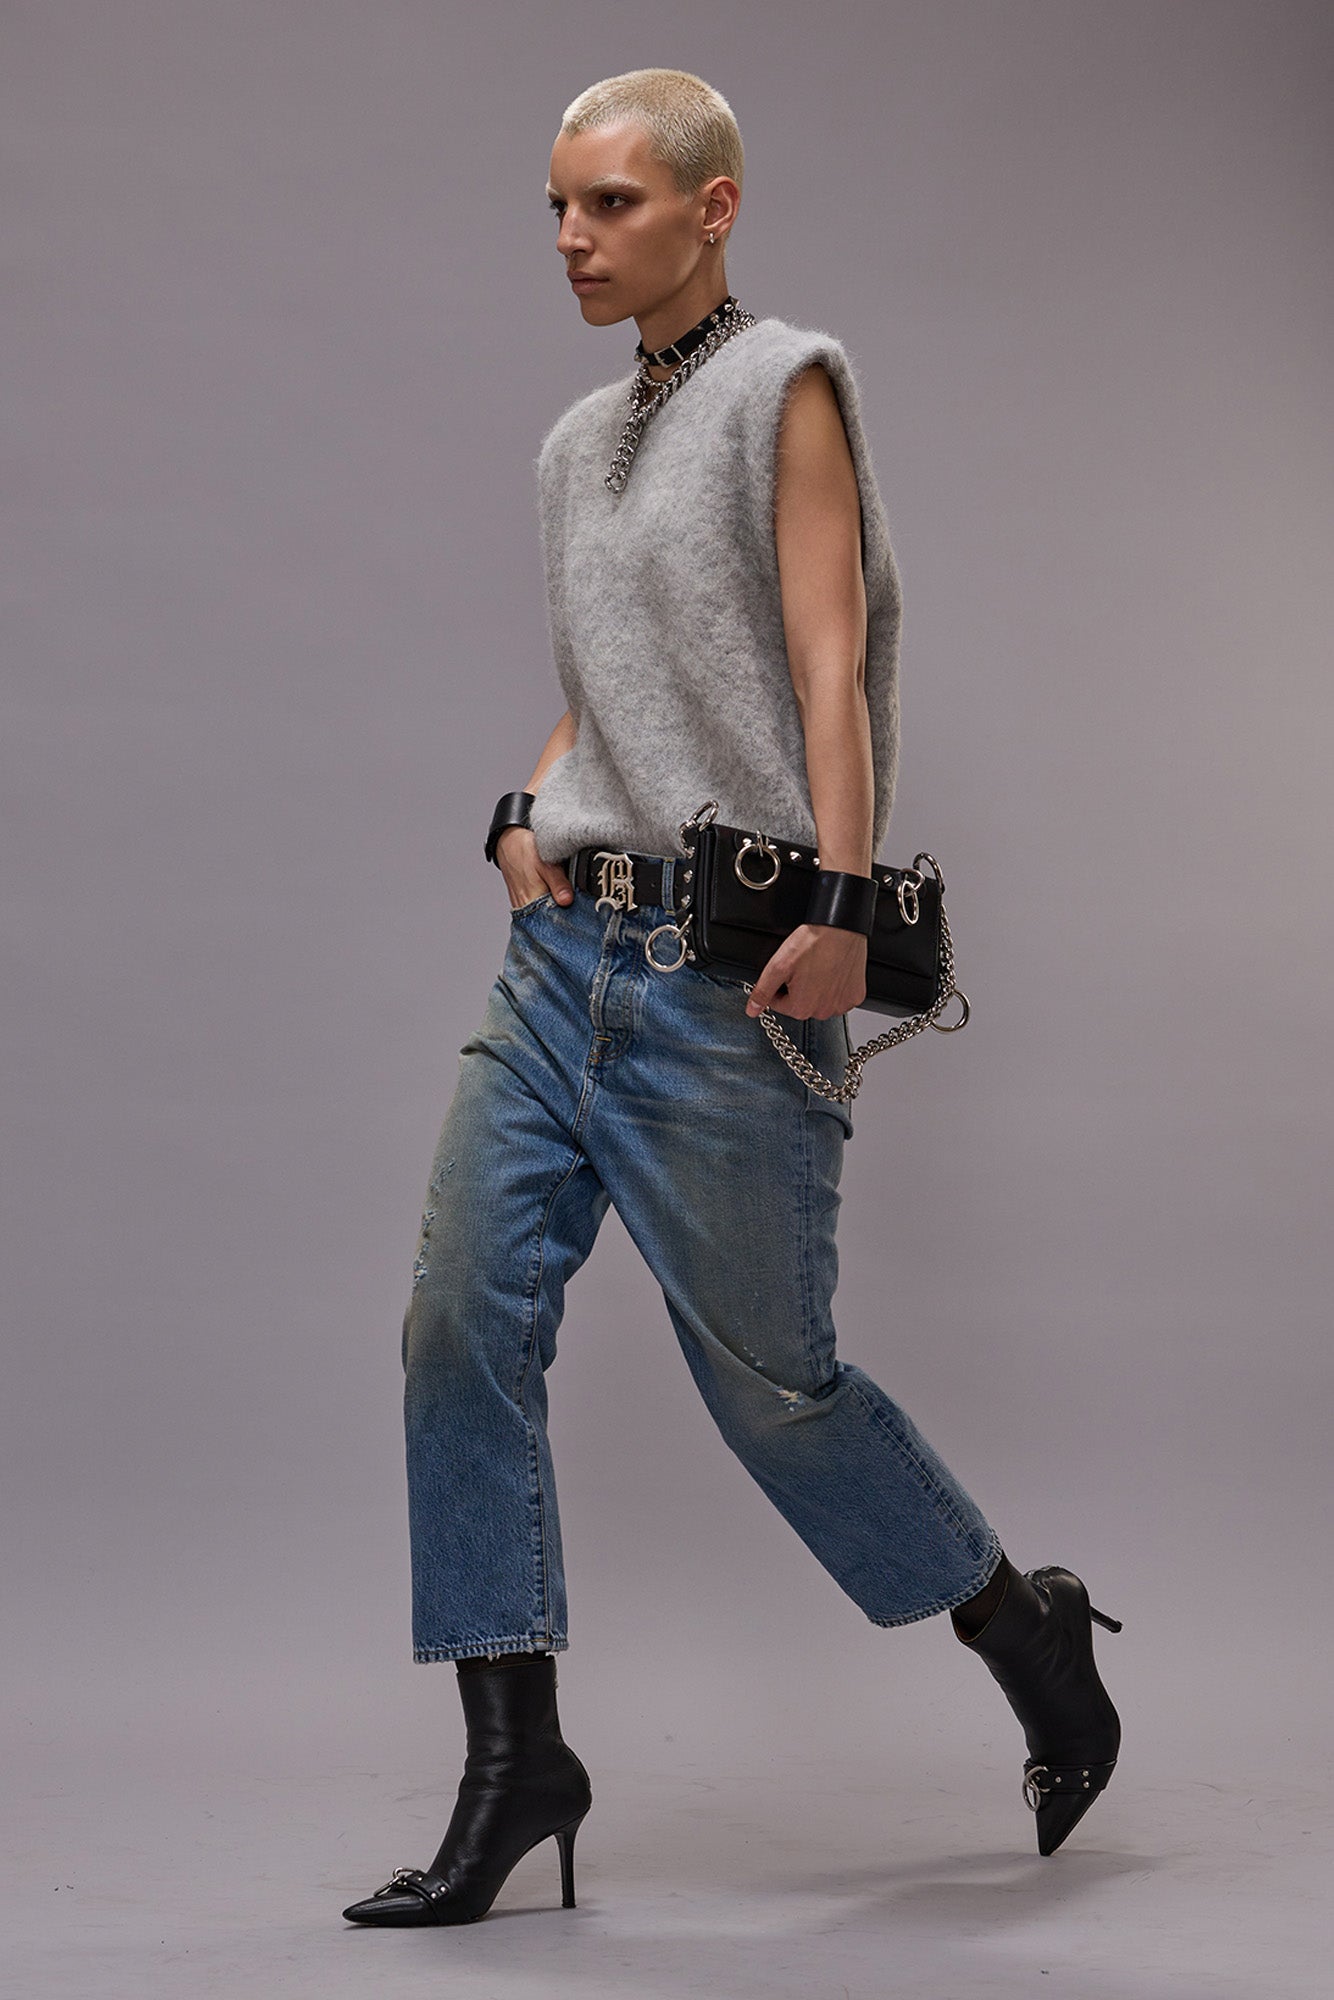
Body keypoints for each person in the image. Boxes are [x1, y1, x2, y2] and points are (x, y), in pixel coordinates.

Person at [342, 67, 1122, 1930]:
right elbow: (609, 689)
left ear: (713, 208)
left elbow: (826, 663)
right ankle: (516, 1760)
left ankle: (1026, 1630)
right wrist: (526, 807)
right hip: (560, 962)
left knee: (776, 1392)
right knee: (454, 1324)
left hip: (727, 978)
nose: (570, 239)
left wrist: (844, 902)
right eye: (555, 205)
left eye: (609, 203)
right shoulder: (569, 445)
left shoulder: (789, 387)